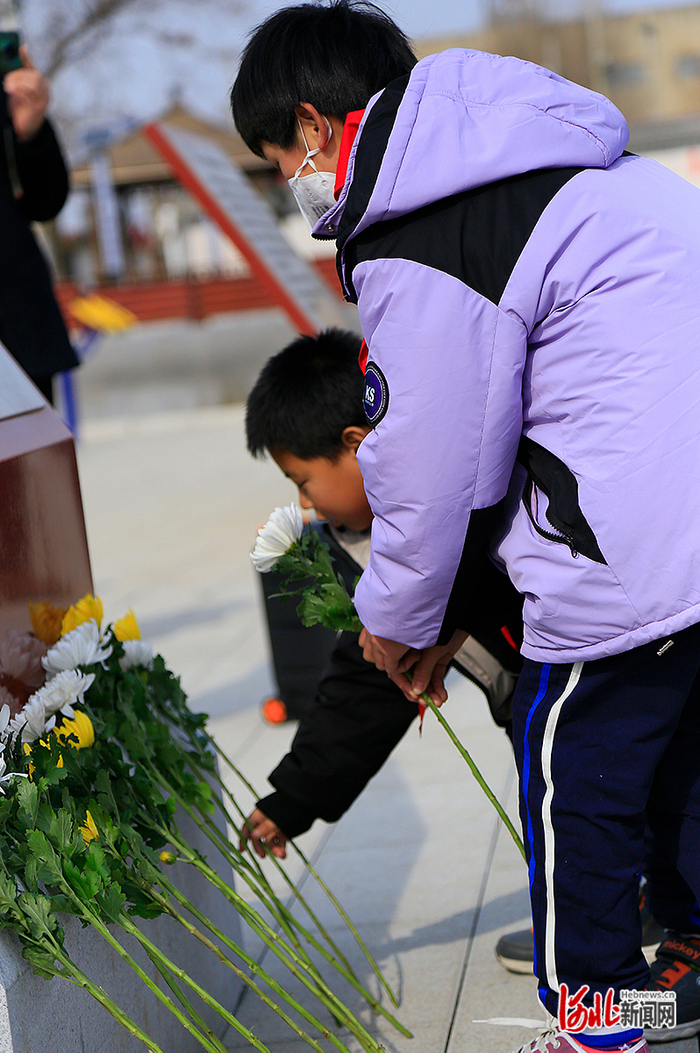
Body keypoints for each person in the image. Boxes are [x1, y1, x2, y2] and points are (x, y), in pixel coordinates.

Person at [231, 3, 700, 1050]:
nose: (289, 187)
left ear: (313, 126)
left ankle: (601, 1017)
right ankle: (689, 961)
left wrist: (395, 619)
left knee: (568, 775)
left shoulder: (419, 225)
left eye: (276, 162)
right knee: (677, 757)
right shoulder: (549, 155)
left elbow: (436, 470)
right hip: (685, 522)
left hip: (625, 551)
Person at [242, 327, 522, 855]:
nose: (303, 504)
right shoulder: (363, 548)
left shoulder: (462, 500)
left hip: (577, 673)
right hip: (528, 703)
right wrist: (294, 798)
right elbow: (366, 683)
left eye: (303, 481)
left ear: (356, 444)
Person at [0, 45, 77, 403]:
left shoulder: (6, 86)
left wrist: (30, 133)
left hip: (15, 330)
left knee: (32, 457)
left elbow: (45, 201)